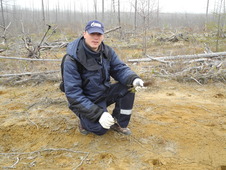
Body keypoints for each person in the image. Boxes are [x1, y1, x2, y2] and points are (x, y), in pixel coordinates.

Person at [63, 20, 144, 136]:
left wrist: (134, 79)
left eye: (99, 34)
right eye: (92, 34)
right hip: (86, 100)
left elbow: (119, 69)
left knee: (130, 86)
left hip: (103, 92)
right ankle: (83, 121)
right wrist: (98, 114)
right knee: (100, 129)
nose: (96, 38)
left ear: (103, 36)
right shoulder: (72, 59)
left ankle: (119, 122)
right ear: (84, 34)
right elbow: (73, 94)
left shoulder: (107, 51)